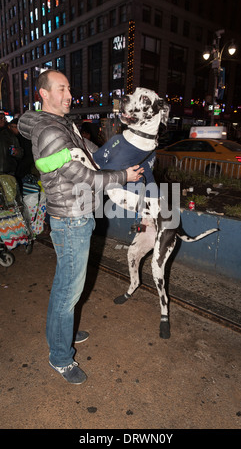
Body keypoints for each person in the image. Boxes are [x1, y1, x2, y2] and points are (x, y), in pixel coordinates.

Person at [18, 70, 143, 385]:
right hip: (71, 218)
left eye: (69, 87)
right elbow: (83, 176)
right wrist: (124, 178)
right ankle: (60, 357)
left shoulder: (61, 123)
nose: (69, 93)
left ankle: (64, 329)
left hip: (77, 215)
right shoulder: (49, 131)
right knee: (67, 291)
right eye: (62, 88)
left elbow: (87, 158)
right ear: (44, 94)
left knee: (66, 287)